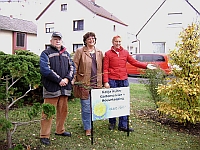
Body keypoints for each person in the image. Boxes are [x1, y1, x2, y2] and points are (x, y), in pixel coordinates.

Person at [103, 35, 156, 132]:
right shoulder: (108, 54)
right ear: (112, 42)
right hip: (112, 80)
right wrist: (106, 81)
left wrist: (146, 66)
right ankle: (112, 122)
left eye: (119, 41)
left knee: (124, 103)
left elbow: (134, 62)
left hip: (123, 80)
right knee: (113, 102)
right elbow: (105, 69)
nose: (118, 43)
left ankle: (123, 125)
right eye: (116, 41)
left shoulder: (125, 53)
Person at [39, 32, 75, 145]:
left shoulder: (66, 54)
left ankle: (60, 130)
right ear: (51, 41)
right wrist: (59, 80)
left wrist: (68, 79)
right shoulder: (45, 53)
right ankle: (44, 135)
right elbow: (45, 70)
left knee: (63, 111)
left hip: (65, 88)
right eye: (55, 39)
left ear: (61, 41)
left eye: (59, 39)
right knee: (48, 112)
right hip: (51, 88)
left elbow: (72, 67)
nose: (57, 41)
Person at [72, 32, 103, 136]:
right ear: (85, 41)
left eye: (93, 38)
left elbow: (102, 67)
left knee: (94, 106)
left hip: (96, 84)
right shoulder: (80, 51)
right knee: (85, 107)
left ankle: (91, 123)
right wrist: (73, 78)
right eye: (89, 39)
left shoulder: (99, 52)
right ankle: (87, 128)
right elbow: (74, 66)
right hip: (84, 83)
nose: (91, 40)